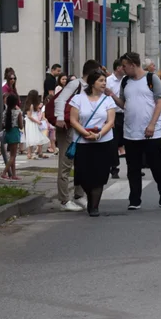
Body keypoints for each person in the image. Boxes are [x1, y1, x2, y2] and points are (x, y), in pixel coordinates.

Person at [117, 52, 161, 210]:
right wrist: (112, 96)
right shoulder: (125, 81)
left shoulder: (151, 79)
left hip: (150, 132)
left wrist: (152, 124)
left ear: (133, 65)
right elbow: (123, 103)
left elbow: (160, 102)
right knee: (133, 167)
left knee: (155, 164)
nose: (123, 69)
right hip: (130, 131)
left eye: (125, 66)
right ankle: (134, 199)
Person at [52, 59, 100, 212]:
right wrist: (60, 118)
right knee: (66, 163)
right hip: (67, 128)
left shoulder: (90, 87)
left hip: (80, 129)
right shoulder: (75, 84)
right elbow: (60, 99)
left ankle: (78, 195)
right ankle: (64, 200)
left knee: (80, 164)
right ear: (92, 72)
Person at [68, 70, 117, 217]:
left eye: (105, 81)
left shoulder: (108, 100)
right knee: (83, 175)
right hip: (83, 142)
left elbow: (111, 121)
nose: (104, 83)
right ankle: (89, 196)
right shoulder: (78, 99)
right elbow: (73, 120)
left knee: (100, 175)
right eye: (101, 80)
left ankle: (94, 206)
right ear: (92, 83)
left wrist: (99, 134)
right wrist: (85, 133)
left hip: (103, 142)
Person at [106, 58, 126, 179]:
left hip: (125, 113)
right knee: (114, 141)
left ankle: (135, 166)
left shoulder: (126, 80)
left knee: (126, 140)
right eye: (123, 67)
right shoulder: (108, 81)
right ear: (118, 68)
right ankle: (114, 167)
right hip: (113, 113)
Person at [0, 93, 23, 181]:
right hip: (15, 133)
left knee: (12, 155)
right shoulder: (18, 112)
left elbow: (2, 124)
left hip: (8, 133)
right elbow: (21, 126)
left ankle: (13, 174)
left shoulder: (5, 112)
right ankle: (4, 172)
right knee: (13, 156)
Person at [23, 90, 50, 159]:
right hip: (32, 122)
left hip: (34, 121)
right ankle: (29, 154)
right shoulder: (31, 105)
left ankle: (40, 152)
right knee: (32, 137)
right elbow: (29, 116)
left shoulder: (33, 105)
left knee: (39, 136)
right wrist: (37, 121)